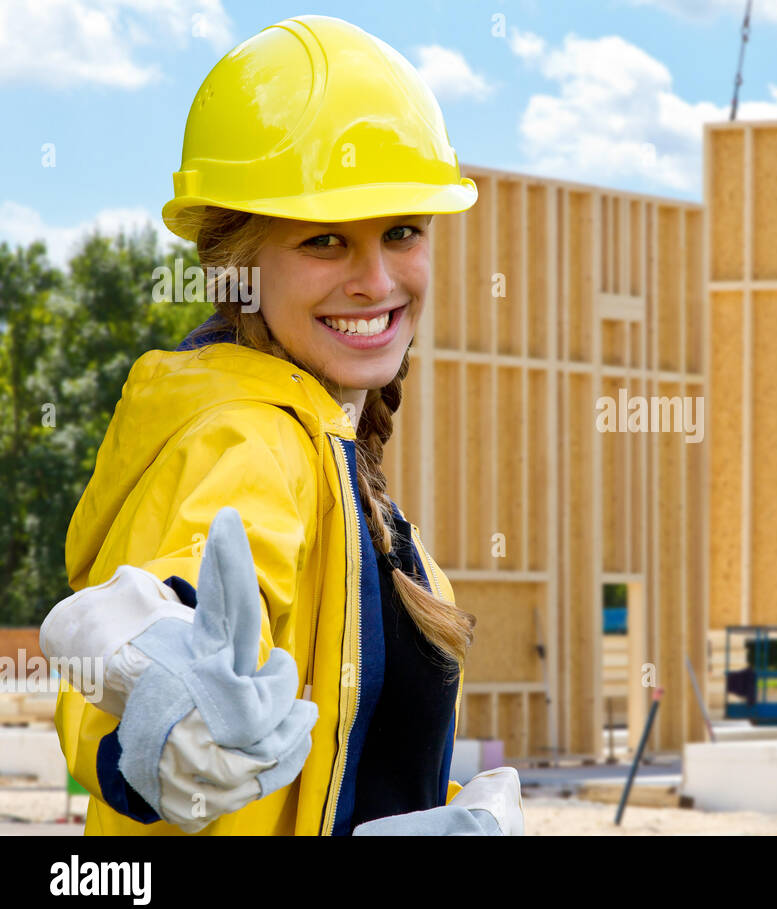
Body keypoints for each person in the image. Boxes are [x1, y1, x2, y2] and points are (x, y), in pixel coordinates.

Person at [39, 14, 523, 836]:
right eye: (326, 240)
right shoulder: (245, 436)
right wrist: (164, 707)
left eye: (402, 231)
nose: (375, 281)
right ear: (240, 266)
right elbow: (180, 615)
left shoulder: (344, 474)